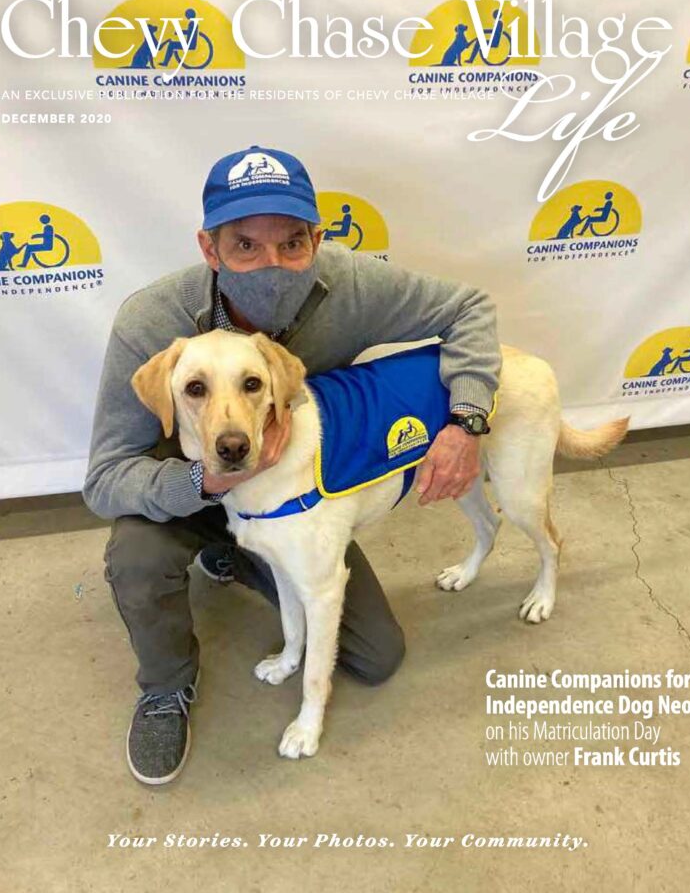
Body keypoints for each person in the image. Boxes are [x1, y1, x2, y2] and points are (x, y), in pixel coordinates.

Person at [83, 144, 502, 785]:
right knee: (136, 559)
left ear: (317, 239)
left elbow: (469, 307)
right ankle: (165, 687)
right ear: (209, 246)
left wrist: (468, 419)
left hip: (295, 495)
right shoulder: (153, 323)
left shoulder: (352, 284)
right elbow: (107, 478)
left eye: (292, 243)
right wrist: (204, 480)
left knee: (377, 654)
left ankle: (246, 556)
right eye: (245, 244)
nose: (271, 263)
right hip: (187, 493)